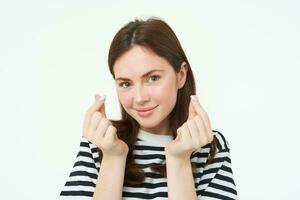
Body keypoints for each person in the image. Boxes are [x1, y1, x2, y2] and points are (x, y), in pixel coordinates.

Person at [59, 17, 238, 200]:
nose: (140, 98)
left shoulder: (208, 145)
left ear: (181, 75)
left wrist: (178, 159)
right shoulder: (100, 143)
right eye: (126, 83)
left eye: (153, 78)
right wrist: (113, 158)